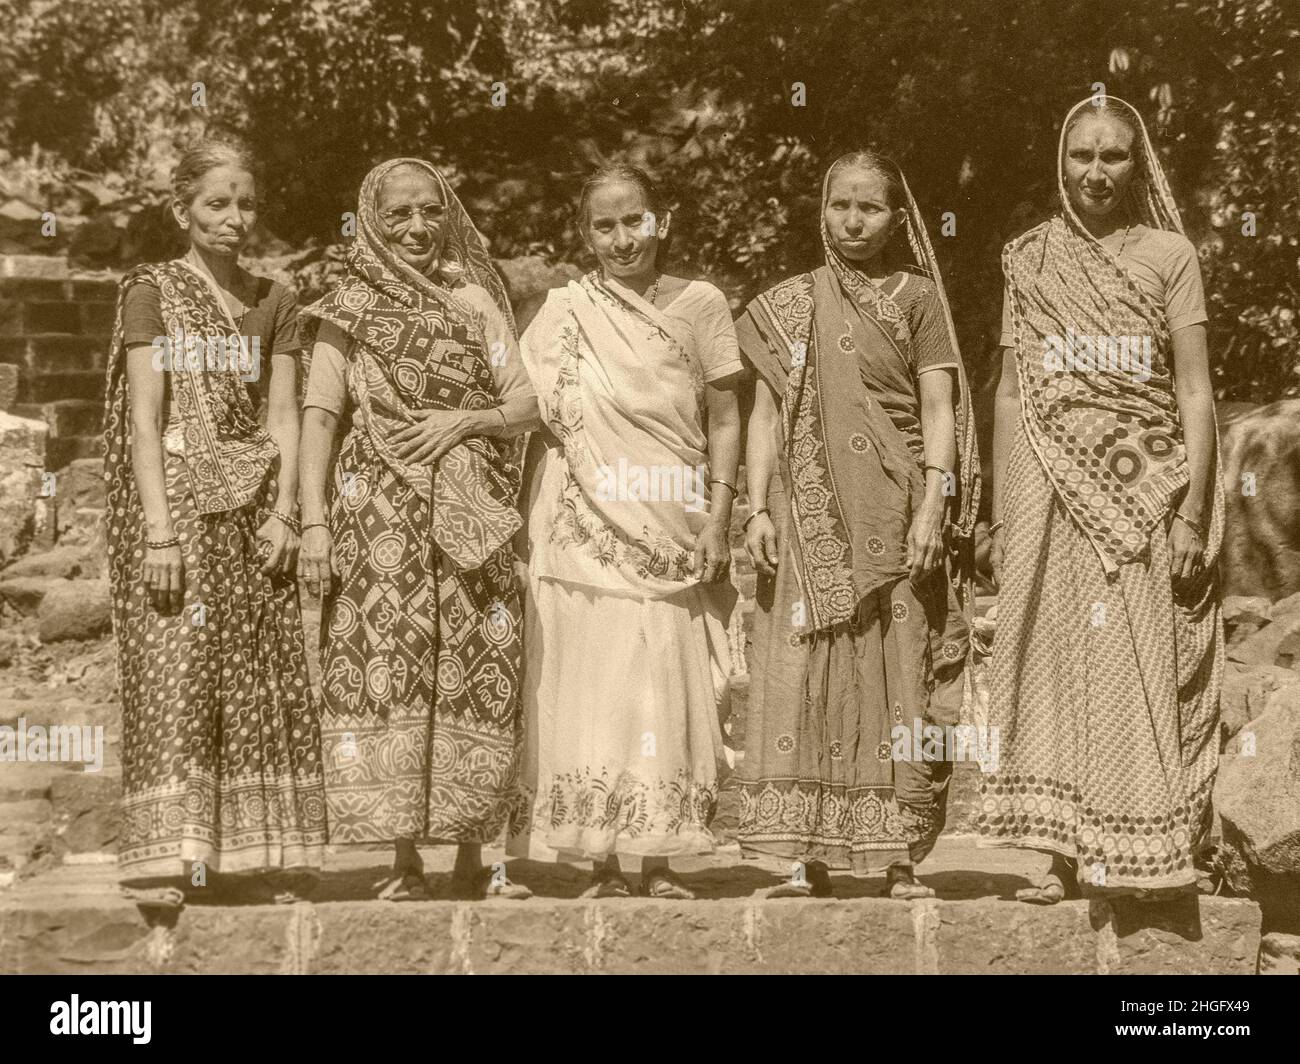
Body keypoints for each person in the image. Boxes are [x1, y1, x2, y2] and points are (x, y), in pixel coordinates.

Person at [979, 96, 1224, 902]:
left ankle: (1131, 851)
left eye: (1113, 155)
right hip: (1046, 483)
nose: (1096, 172)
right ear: (1061, 162)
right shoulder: (1031, 258)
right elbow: (1013, 394)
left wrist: (1192, 507)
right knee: (1046, 657)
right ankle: (1053, 854)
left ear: (1137, 162)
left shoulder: (1168, 255)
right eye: (1081, 155)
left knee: (1133, 659)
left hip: (1142, 484)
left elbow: (1194, 392)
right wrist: (1003, 513)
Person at [735, 151, 980, 899]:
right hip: (807, 516)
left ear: (897, 218)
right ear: (822, 207)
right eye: (840, 205)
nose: (852, 221)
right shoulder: (787, 305)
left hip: (900, 511)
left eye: (869, 208)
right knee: (810, 669)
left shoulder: (917, 298)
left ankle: (898, 856)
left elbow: (940, 407)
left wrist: (937, 500)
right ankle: (807, 856)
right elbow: (766, 414)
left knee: (900, 670)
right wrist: (757, 509)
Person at [297, 158, 540, 901]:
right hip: (378, 521)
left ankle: (474, 856)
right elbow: (320, 417)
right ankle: (402, 858)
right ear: (372, 220)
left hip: (474, 523)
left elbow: (526, 404)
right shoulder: (347, 308)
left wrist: (461, 421)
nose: (416, 228)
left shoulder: (476, 303)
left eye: (430, 211)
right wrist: (312, 523)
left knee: (477, 666)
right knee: (395, 663)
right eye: (398, 214)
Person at [507, 165, 742, 899]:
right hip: (585, 528)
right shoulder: (565, 312)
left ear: (662, 221)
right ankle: (599, 859)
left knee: (663, 679)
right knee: (597, 682)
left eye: (633, 220)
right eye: (603, 226)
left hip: (675, 514)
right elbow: (539, 418)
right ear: (586, 236)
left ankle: (660, 856)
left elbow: (726, 418)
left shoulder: (702, 305)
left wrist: (722, 518)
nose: (621, 239)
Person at [105, 139, 326, 905]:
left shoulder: (274, 300)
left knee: (258, 675)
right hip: (179, 508)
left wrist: (289, 516)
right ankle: (171, 861)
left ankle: (252, 857)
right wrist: (160, 532)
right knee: (182, 671)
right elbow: (145, 417)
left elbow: (285, 414)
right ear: (183, 211)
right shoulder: (154, 293)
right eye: (216, 204)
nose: (235, 219)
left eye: (246, 204)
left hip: (257, 508)